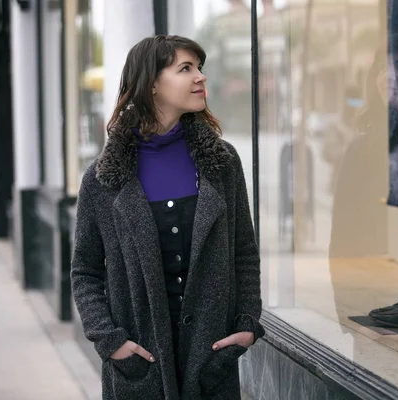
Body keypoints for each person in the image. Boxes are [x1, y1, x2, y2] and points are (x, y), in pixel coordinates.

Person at [70, 35, 265, 400]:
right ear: (153, 84)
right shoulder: (103, 180)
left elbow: (244, 251)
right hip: (139, 366)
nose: (200, 77)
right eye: (185, 69)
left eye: (200, 68)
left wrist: (247, 324)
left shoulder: (222, 163)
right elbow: (85, 271)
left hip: (212, 362)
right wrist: (111, 341)